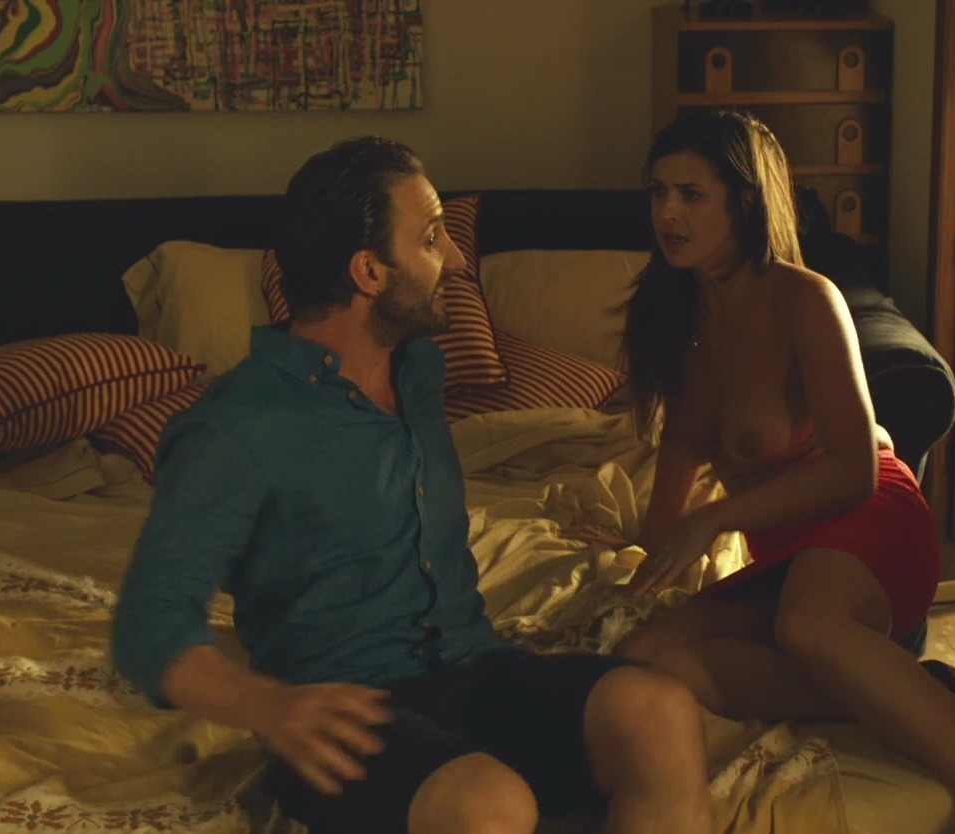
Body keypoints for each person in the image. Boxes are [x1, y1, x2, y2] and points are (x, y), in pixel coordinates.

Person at [110, 137, 713, 834]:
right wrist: (270, 708)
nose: (455, 260)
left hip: (474, 667)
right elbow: (149, 624)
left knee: (658, 711)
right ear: (369, 271)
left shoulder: (419, 370)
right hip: (343, 713)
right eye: (431, 238)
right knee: (490, 803)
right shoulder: (235, 428)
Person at [613, 109, 955, 834]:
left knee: (808, 625)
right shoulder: (681, 322)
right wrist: (635, 564)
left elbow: (855, 471)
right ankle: (945, 703)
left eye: (691, 194)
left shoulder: (804, 298)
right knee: (649, 653)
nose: (668, 212)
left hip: (866, 519)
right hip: (785, 558)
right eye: (658, 192)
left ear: (744, 201)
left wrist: (714, 518)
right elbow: (669, 504)